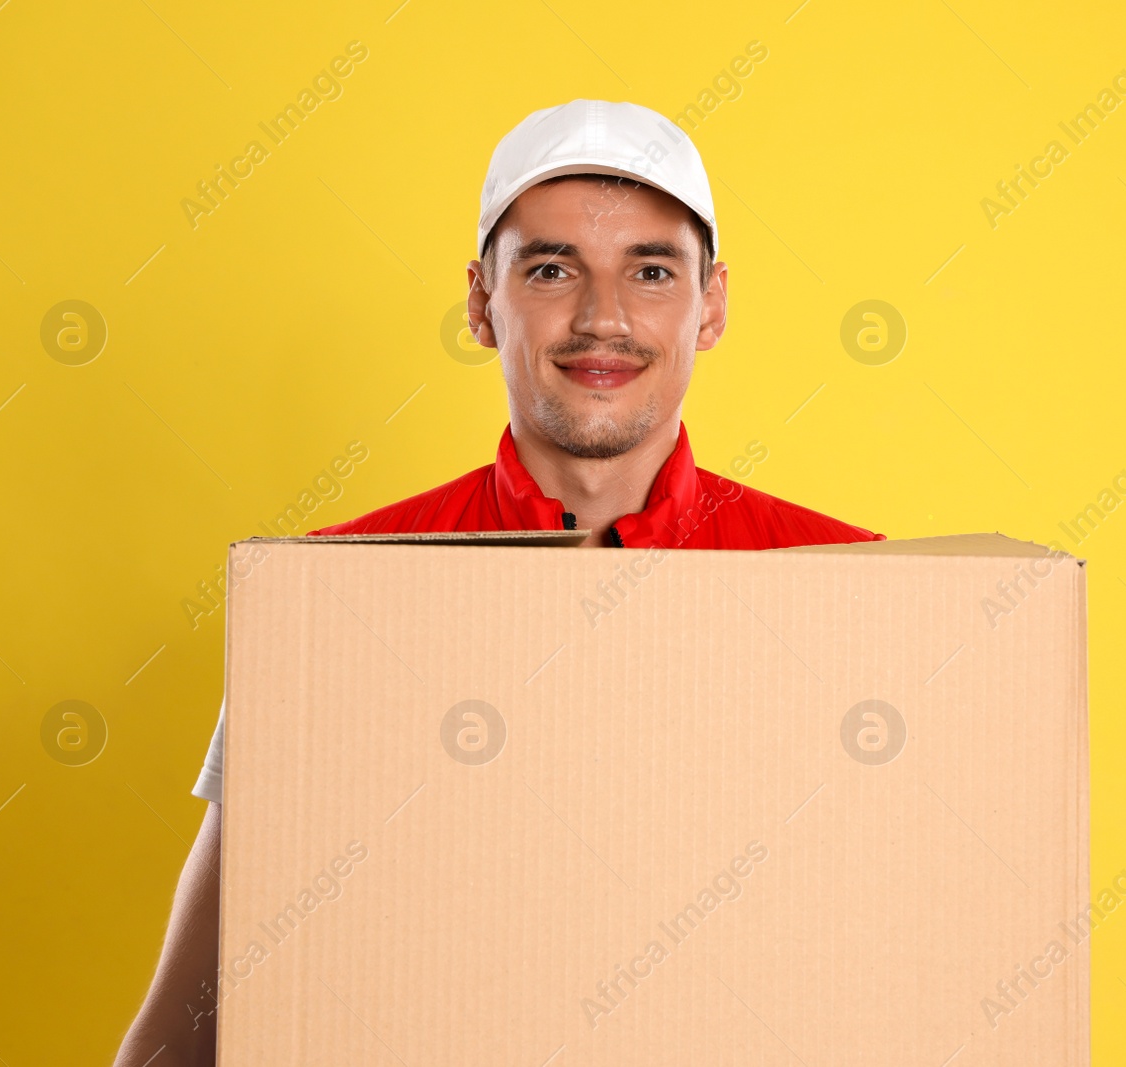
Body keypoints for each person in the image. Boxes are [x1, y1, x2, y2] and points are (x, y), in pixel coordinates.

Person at [114, 98, 881, 1065]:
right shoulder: (337, 601)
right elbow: (186, 1023)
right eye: (552, 269)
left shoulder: (852, 594)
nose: (603, 319)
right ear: (482, 301)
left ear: (712, 302)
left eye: (650, 272)